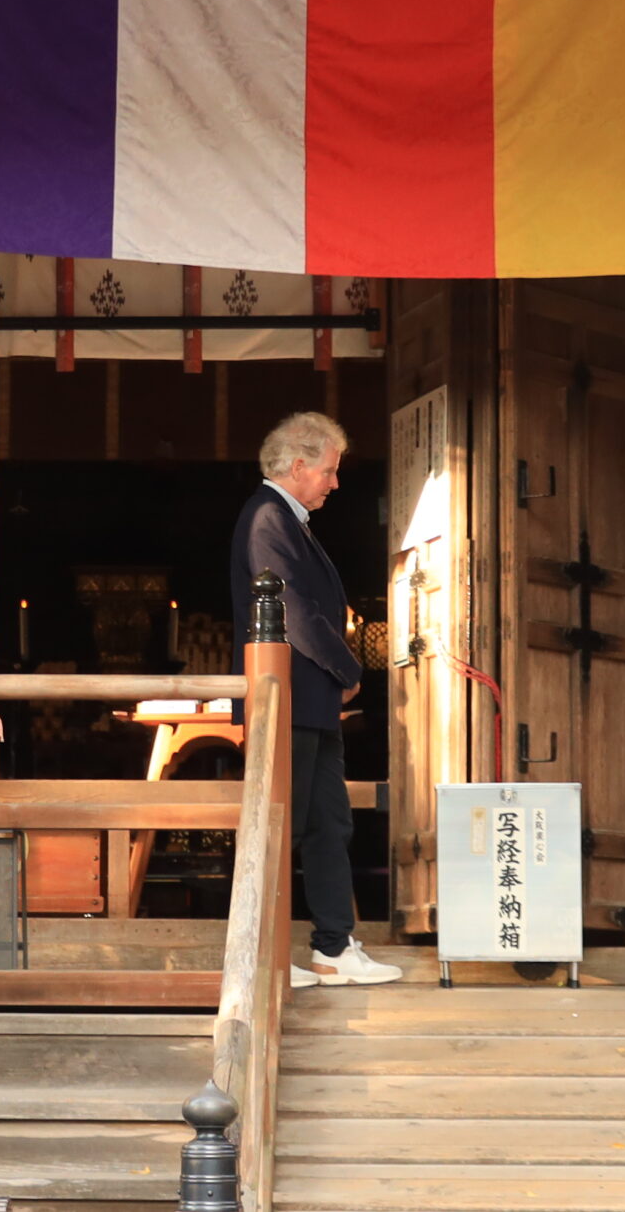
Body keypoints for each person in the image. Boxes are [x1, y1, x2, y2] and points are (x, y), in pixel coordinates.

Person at [230, 411, 402, 987]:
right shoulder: (267, 519)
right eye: (328, 471)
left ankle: (333, 947)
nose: (334, 482)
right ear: (298, 466)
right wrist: (350, 668)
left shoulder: (287, 519)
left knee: (329, 823)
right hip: (286, 699)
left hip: (310, 702)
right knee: (284, 824)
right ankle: (266, 957)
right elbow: (296, 615)